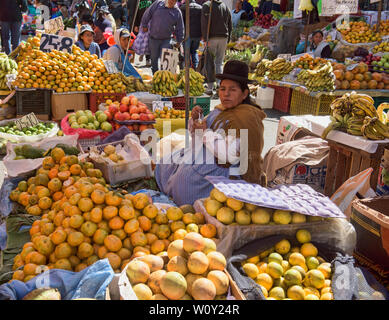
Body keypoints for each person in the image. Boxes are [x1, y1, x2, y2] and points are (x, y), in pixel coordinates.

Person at [154, 60, 266, 206]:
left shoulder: (246, 118)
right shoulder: (222, 110)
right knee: (166, 162)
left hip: (226, 169)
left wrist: (205, 132)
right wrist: (195, 120)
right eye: (222, 89)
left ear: (244, 94)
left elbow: (229, 155)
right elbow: (201, 132)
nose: (226, 94)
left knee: (183, 181)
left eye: (232, 90)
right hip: (206, 155)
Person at [140, 0, 184, 74]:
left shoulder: (177, 12)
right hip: (153, 38)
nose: (172, 2)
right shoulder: (158, 4)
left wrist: (179, 41)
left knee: (165, 61)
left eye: (174, 1)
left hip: (166, 39)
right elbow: (147, 13)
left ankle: (164, 77)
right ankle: (155, 75)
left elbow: (180, 27)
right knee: (153, 60)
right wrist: (144, 24)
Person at [201, 0, 232, 96]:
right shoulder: (225, 7)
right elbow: (230, 24)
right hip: (224, 37)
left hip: (212, 37)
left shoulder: (207, 5)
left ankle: (210, 88)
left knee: (209, 62)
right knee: (219, 63)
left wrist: (205, 38)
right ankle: (220, 86)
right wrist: (229, 38)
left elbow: (204, 23)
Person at [180, 0, 202, 69]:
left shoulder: (183, 7)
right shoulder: (200, 8)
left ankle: (187, 69)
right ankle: (196, 67)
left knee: (187, 52)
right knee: (194, 51)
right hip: (197, 34)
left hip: (187, 34)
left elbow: (181, 22)